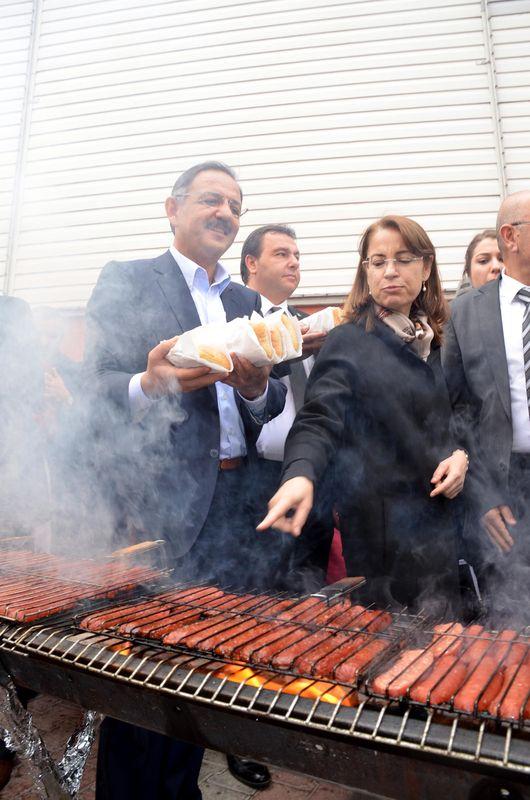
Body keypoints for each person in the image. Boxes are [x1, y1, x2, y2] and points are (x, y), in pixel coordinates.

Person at [84, 161, 287, 799]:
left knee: (203, 669)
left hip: (234, 504)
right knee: (143, 673)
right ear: (173, 210)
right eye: (209, 200)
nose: (224, 212)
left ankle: (182, 789)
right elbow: (92, 392)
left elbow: (272, 394)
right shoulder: (127, 280)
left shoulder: (245, 300)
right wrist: (148, 384)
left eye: (234, 204)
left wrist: (258, 390)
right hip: (156, 507)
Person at [258, 215, 468, 616]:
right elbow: (318, 417)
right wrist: (300, 473)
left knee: (443, 653)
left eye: (404, 259)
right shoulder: (348, 341)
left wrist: (461, 456)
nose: (390, 270)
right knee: (387, 657)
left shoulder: (436, 341)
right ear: (366, 272)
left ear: (426, 269)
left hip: (441, 531)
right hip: (381, 544)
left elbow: (457, 417)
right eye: (377, 261)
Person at [442, 190, 530, 618]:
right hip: (504, 484)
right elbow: (456, 412)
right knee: (510, 612)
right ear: (511, 236)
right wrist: (482, 495)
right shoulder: (466, 313)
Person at [240, 224, 334, 590]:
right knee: (261, 592)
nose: (293, 263)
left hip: (314, 477)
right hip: (255, 479)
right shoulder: (234, 320)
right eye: (281, 254)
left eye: (297, 256)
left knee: (311, 588)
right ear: (251, 262)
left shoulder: (309, 324)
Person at [456, 229, 503, 295]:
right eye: (483, 261)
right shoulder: (457, 305)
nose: (496, 266)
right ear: (468, 271)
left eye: (502, 259)